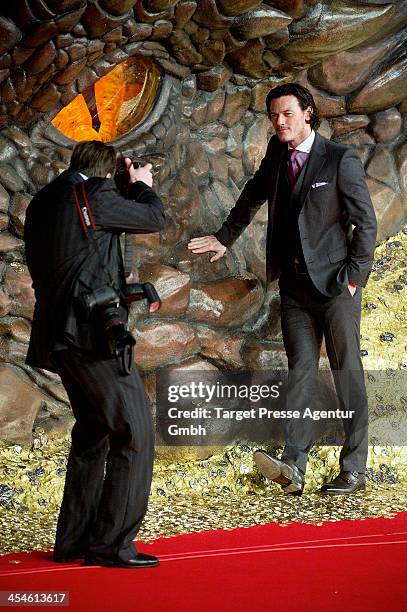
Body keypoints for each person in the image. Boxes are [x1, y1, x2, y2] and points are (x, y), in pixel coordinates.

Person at [188, 83, 377, 496]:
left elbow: (367, 224)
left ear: (308, 113)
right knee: (301, 373)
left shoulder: (340, 160)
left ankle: (355, 468)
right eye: (274, 115)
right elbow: (253, 194)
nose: (280, 122)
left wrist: (353, 277)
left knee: (347, 373)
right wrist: (225, 236)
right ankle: (294, 465)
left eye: (288, 114)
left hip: (335, 288)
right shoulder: (277, 153)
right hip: (294, 288)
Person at [24, 140, 165, 568]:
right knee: (135, 433)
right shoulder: (97, 195)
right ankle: (111, 545)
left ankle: (74, 542)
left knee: (93, 433)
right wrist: (140, 185)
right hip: (93, 337)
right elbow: (153, 217)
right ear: (109, 171)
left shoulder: (44, 200)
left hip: (57, 337)